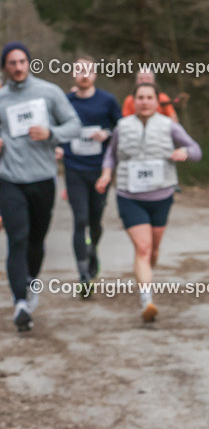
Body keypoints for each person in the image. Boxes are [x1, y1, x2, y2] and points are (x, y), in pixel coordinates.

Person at [96, 82, 201, 321]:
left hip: (161, 196)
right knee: (142, 248)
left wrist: (185, 152)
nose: (144, 101)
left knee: (152, 251)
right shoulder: (122, 126)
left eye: (149, 97)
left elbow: (196, 149)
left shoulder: (169, 126)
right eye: (140, 97)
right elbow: (110, 156)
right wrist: (105, 174)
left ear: (156, 101)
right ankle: (147, 300)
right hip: (129, 196)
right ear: (133, 102)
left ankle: (145, 276)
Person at [0, 41, 82, 331]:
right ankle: (20, 302)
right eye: (12, 62)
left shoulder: (49, 93)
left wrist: (51, 133)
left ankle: (31, 281)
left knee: (36, 239)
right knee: (17, 237)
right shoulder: (1, 99)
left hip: (43, 178)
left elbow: (75, 126)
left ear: (29, 63)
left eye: (22, 61)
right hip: (9, 179)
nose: (18, 67)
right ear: (5, 67)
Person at [62, 56, 122, 294]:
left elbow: (121, 126)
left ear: (95, 74)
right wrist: (58, 144)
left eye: (88, 70)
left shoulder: (107, 100)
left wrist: (107, 133)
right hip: (74, 168)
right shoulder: (66, 102)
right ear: (74, 74)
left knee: (95, 220)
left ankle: (92, 249)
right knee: (80, 219)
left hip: (100, 170)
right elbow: (56, 126)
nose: (84, 75)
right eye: (79, 70)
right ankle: (83, 275)